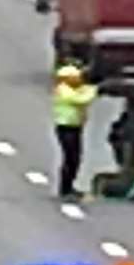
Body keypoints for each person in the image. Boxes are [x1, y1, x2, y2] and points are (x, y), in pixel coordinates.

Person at [52, 64, 97, 200]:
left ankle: (69, 187)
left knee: (75, 158)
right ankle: (65, 189)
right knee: (70, 158)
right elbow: (80, 99)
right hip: (66, 127)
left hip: (75, 127)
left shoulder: (73, 89)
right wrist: (94, 90)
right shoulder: (63, 90)